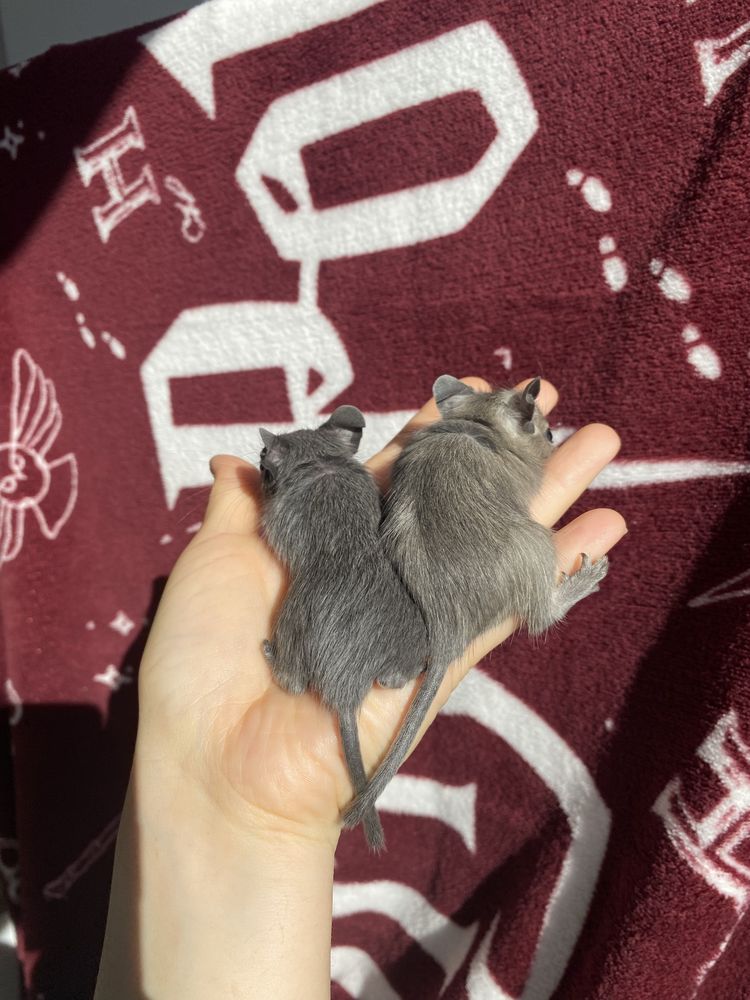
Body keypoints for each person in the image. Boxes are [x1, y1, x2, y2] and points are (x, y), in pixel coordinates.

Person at [93, 377, 626, 1000]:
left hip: (397, 586)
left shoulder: (318, 494)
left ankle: (341, 668)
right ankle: (416, 653)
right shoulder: (390, 473)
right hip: (414, 601)